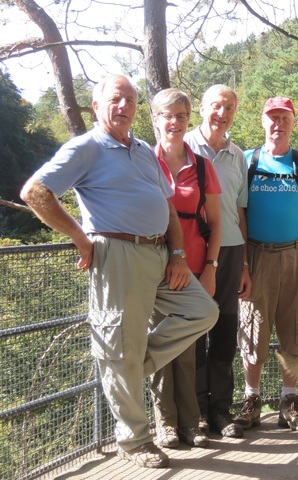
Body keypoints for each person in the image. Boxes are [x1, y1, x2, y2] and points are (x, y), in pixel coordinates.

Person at [19, 75, 218, 469]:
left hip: (159, 254)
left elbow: (167, 204)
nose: (124, 106)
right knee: (116, 349)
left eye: (130, 99)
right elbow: (35, 192)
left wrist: (177, 253)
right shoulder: (86, 147)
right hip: (117, 255)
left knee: (203, 312)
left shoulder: (144, 149)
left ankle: (133, 364)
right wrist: (79, 237)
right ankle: (135, 440)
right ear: (96, 106)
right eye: (115, 99)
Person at [235, 96, 298, 432]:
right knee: (253, 331)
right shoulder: (247, 161)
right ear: (263, 121)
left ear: (293, 122)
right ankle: (251, 401)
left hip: (297, 255)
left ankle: (290, 403)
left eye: (284, 118)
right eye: (272, 118)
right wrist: (240, 264)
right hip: (256, 256)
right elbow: (235, 215)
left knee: (294, 329)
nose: (278, 124)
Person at [149, 88, 223, 449]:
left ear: (188, 119)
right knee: (161, 347)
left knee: (189, 349)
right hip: (153, 268)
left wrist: (210, 266)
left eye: (181, 115)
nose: (174, 122)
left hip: (193, 265)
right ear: (156, 119)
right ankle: (165, 423)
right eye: (167, 115)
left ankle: (192, 424)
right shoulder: (145, 161)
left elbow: (218, 223)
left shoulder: (201, 165)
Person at [185, 84, 251, 439]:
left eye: (228, 107)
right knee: (195, 329)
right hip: (193, 251)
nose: (221, 113)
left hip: (230, 252)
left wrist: (243, 265)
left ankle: (221, 412)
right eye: (215, 105)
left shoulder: (237, 156)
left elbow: (240, 210)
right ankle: (195, 412)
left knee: (225, 332)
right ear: (202, 108)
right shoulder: (182, 148)